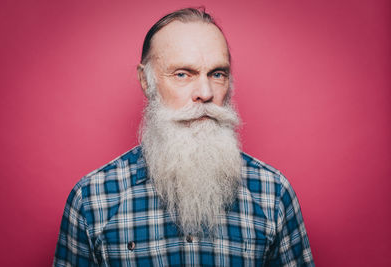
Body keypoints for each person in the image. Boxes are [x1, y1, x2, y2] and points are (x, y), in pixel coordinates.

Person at [53, 7, 314, 267]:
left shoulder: (273, 193)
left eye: (217, 74)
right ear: (146, 81)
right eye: (182, 74)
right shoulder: (91, 199)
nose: (205, 92)